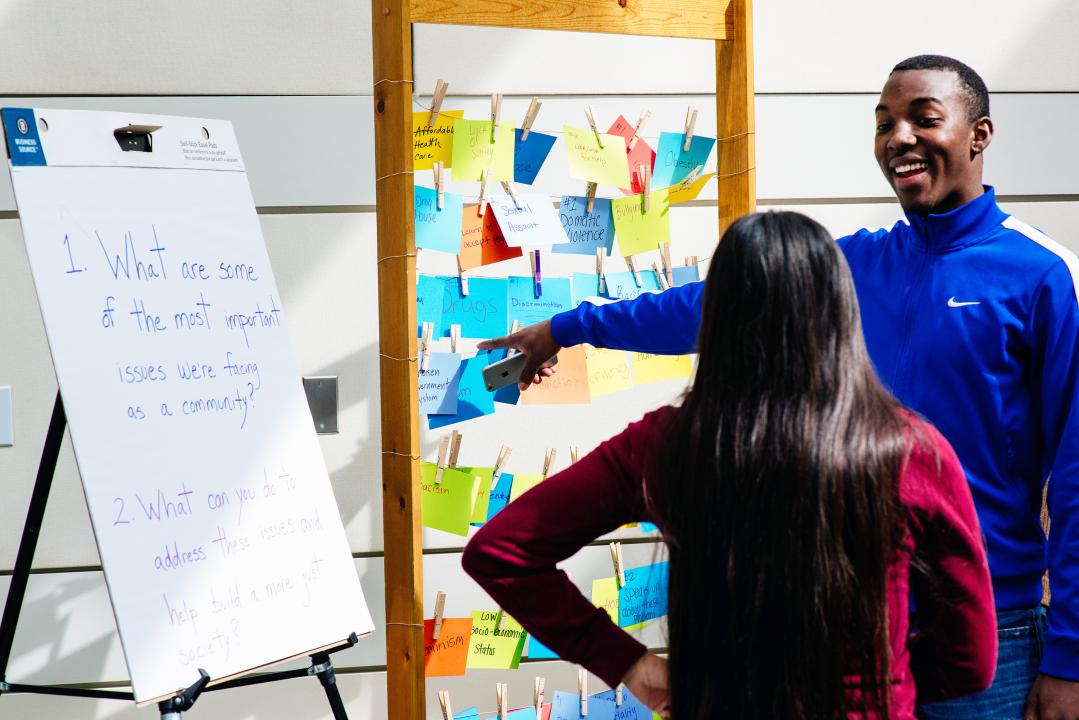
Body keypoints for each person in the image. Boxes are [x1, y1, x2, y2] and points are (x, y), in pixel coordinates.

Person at [479, 55, 1079, 720]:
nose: (897, 138)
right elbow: (705, 306)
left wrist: (1072, 656)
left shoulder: (1043, 276)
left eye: (922, 119)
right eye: (882, 123)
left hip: (990, 628)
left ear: (979, 134)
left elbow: (1077, 475)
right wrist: (566, 327)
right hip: (839, 631)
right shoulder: (851, 262)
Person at [464, 211, 996, 719]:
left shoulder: (665, 445)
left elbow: (499, 551)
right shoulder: (911, 451)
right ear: (842, 314)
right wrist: (887, 681)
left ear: (717, 318)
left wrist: (625, 661)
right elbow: (971, 660)